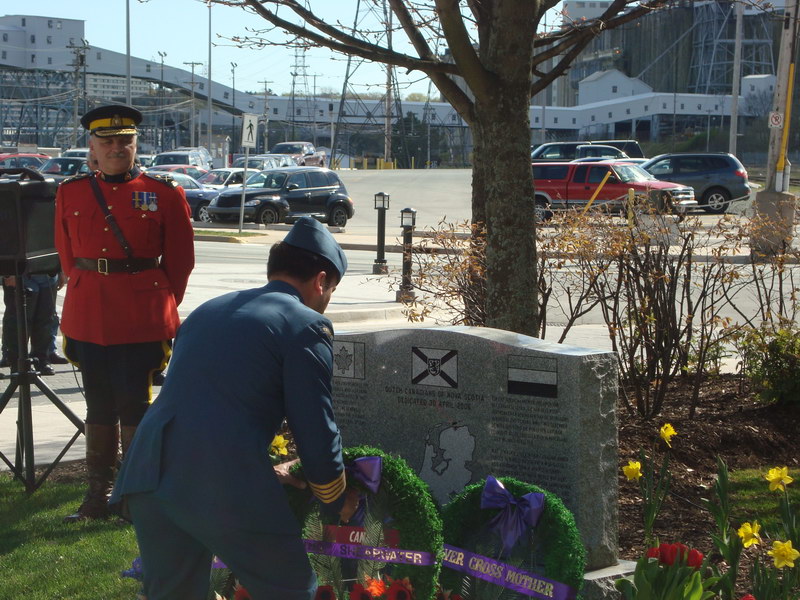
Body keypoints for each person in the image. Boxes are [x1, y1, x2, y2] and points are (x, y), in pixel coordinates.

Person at [110, 216, 359, 600]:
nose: (326, 301)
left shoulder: (208, 310)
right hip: (221, 483)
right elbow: (314, 427)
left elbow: (205, 402)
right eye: (331, 291)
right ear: (321, 281)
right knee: (291, 590)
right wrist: (335, 496)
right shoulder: (306, 325)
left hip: (149, 472)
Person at [55, 104, 195, 522]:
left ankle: (133, 497)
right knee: (98, 405)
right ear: (92, 147)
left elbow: (180, 262)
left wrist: (158, 303)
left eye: (125, 141)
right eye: (108, 142)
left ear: (136, 144)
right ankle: (97, 496)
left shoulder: (164, 192)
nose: (116, 148)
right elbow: (67, 254)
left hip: (140, 316)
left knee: (135, 405)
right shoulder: (71, 191)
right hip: (88, 314)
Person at [0, 271, 64, 375]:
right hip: (20, 274)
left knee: (46, 321)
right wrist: (8, 273)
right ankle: (17, 363)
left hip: (48, 274)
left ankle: (42, 360)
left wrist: (61, 271)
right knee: (18, 322)